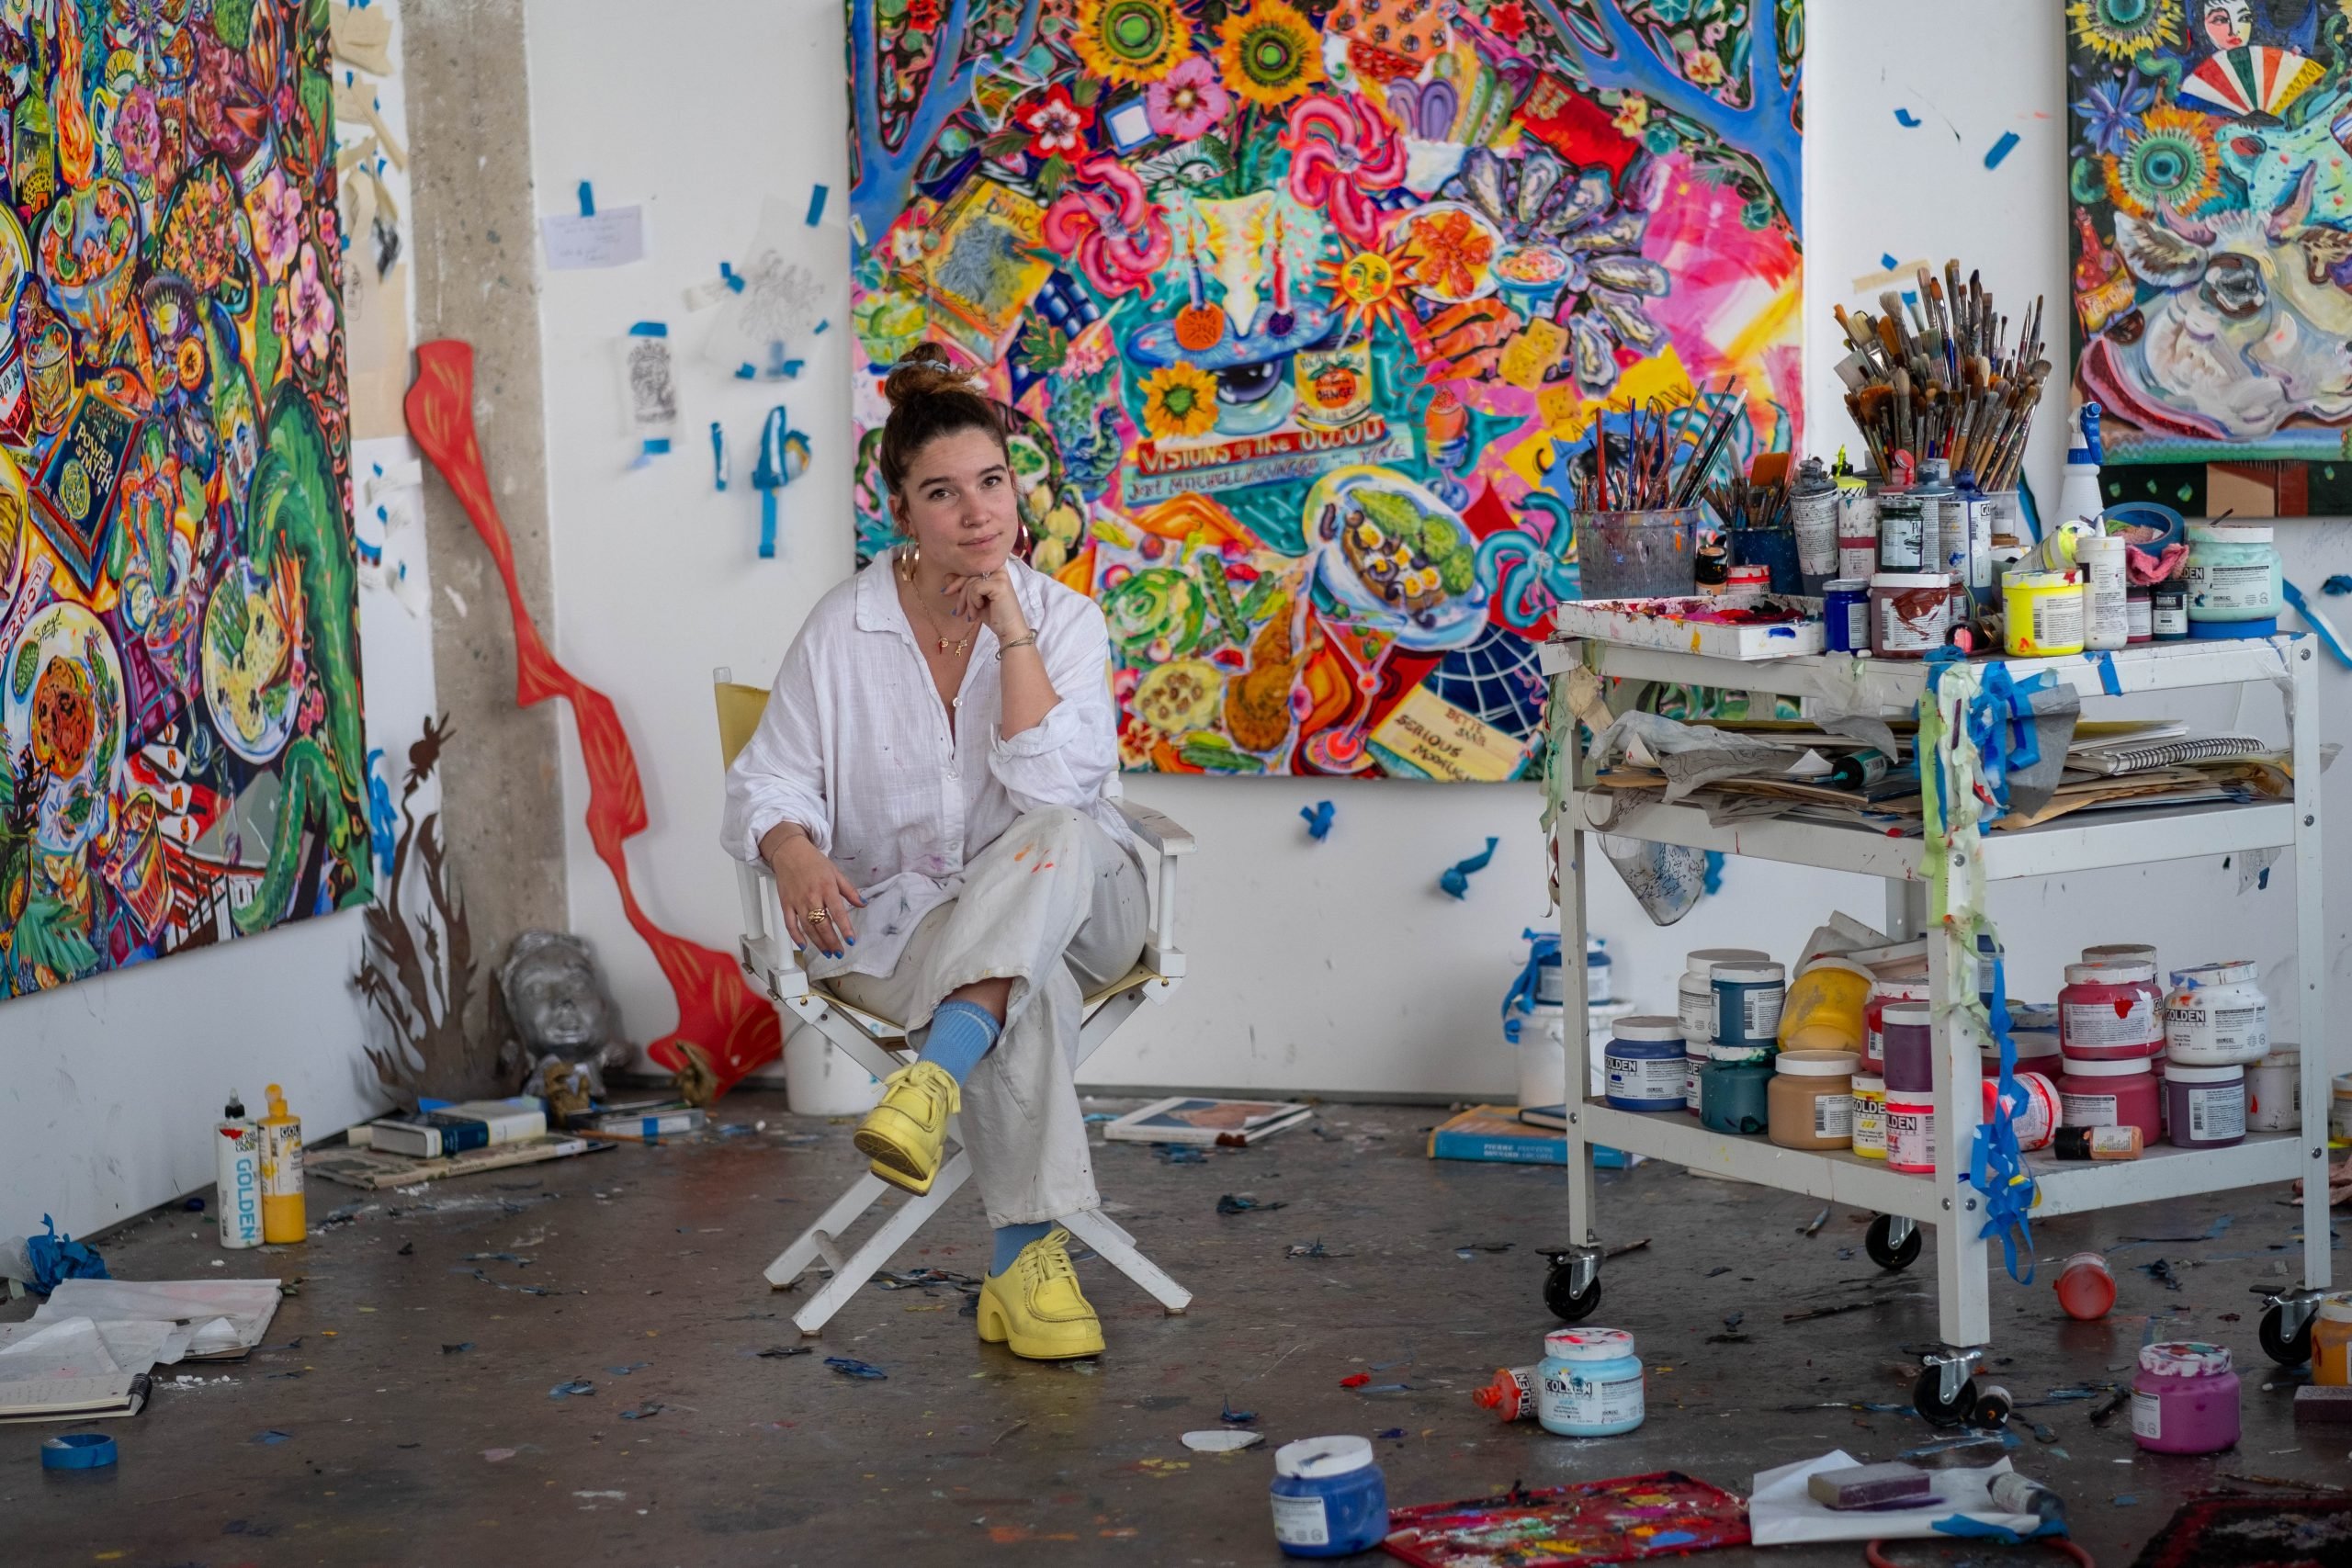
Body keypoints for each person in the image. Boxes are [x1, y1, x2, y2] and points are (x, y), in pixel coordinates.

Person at [721, 344, 1147, 1360]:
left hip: (1091, 906)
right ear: (902, 511)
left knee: (1054, 834)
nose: (978, 514)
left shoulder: (1066, 622)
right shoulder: (843, 629)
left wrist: (1013, 635)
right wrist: (789, 851)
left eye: (992, 483)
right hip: (921, 927)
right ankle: (1022, 1263)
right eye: (943, 493)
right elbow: (767, 780)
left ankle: (933, 1076)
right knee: (1014, 989)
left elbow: (1055, 794)